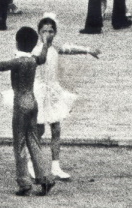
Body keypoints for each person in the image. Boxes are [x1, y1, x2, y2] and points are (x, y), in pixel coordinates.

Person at [0, 25, 55, 196]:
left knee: (19, 143)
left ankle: (24, 182)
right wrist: (45, 43)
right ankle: (45, 178)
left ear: (17, 43)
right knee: (34, 140)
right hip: (33, 102)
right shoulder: (32, 60)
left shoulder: (18, 61)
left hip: (20, 104)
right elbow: (43, 57)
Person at [29, 14, 99, 182]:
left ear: (55, 32)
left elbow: (69, 49)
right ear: (39, 32)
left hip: (53, 92)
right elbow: (40, 61)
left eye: (51, 31)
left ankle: (56, 165)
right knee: (38, 130)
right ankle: (33, 163)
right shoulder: (36, 50)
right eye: (44, 31)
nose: (47, 34)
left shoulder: (55, 48)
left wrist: (88, 50)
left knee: (56, 129)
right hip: (39, 92)